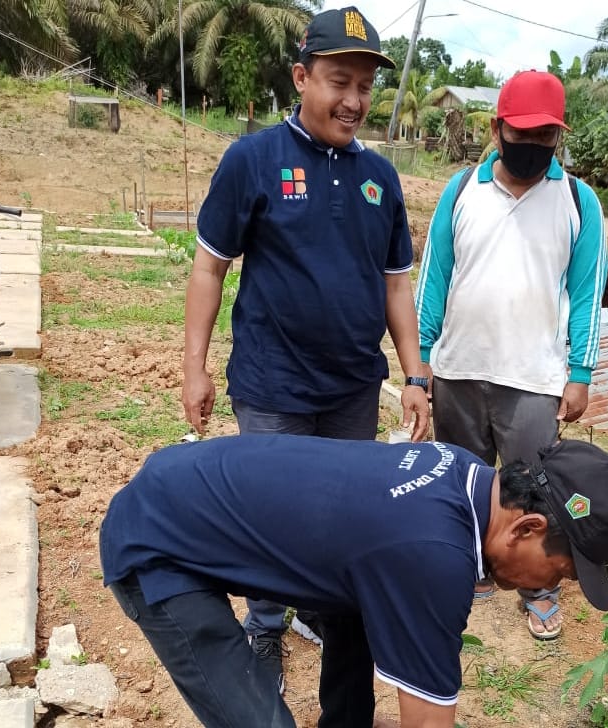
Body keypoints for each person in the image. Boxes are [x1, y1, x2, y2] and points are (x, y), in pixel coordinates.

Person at [181, 5, 430, 686]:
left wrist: (415, 374)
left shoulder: (380, 177)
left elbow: (396, 285)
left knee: (339, 514)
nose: (352, 101)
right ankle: (263, 627)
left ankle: (318, 611)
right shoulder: (253, 161)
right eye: (337, 82)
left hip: (351, 387)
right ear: (301, 77)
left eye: (364, 88)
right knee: (270, 513)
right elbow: (209, 265)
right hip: (271, 384)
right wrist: (194, 367)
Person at [100, 433, 608, 728]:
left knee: (364, 611)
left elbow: (371, 583)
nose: (554, 585)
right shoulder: (435, 555)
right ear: (528, 527)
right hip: (158, 543)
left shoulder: (459, 469)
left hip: (185, 484)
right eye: (563, 570)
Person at [415, 70, 608, 641]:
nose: (533, 147)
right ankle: (471, 566)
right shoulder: (461, 191)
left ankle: (538, 587)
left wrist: (580, 373)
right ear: (497, 129)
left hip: (533, 376)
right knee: (465, 478)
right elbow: (434, 278)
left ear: (558, 137)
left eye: (545, 136)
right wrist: (421, 361)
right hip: (458, 369)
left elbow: (588, 291)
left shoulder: (577, 200)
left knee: (533, 489)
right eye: (521, 133)